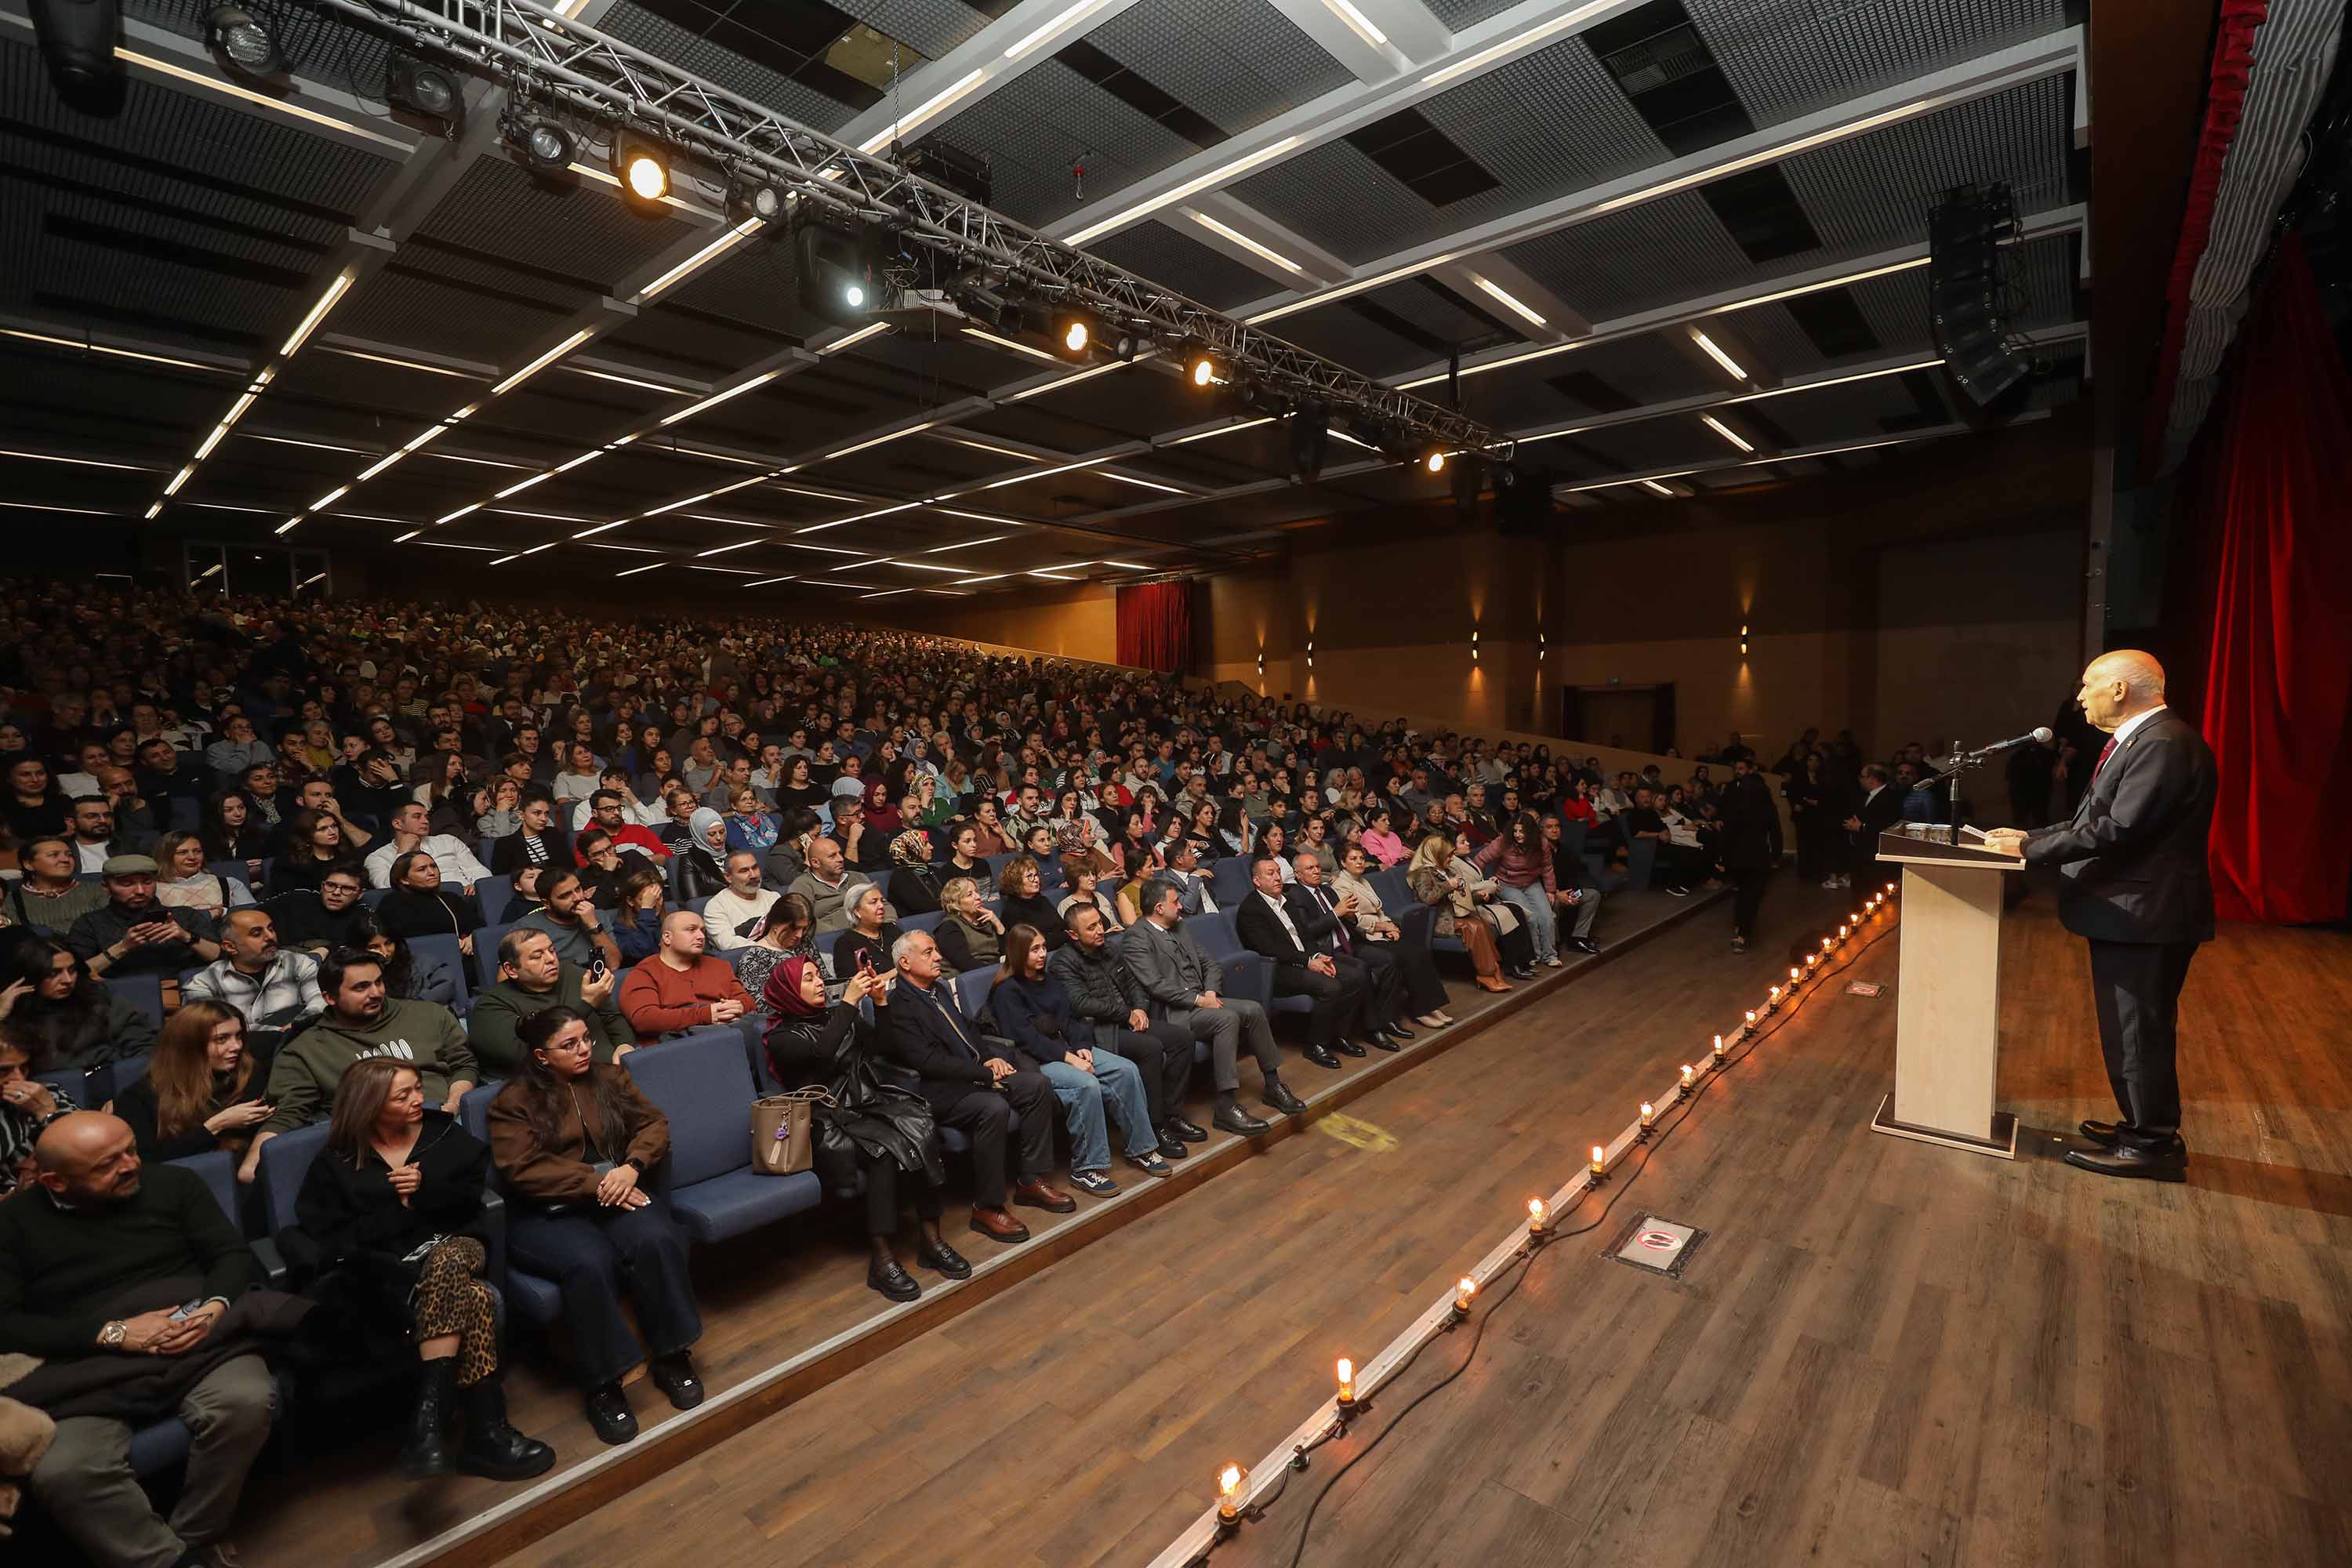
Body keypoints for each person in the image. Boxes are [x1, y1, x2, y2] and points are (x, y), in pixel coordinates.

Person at [6, 1112, 289, 1568]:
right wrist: (115, 1334)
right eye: (108, 1164)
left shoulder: (174, 1185)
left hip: (192, 1330)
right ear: (55, 1182)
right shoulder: (13, 1225)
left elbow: (229, 1256)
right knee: (64, 1471)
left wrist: (211, 1308)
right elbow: (7, 1323)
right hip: (88, 1357)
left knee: (246, 1401)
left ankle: (193, 1538)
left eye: (131, 1150)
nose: (130, 1165)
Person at [1984, 650, 2217, 1182]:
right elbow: (2092, 818)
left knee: (2137, 1033)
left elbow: (2120, 830)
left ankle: (2150, 1146)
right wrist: (2029, 835)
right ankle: (2141, 1128)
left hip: (2143, 916)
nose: (2079, 697)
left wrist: (2029, 851)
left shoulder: (2162, 743)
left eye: (2087, 685)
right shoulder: (2143, 740)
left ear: (2119, 689)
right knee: (2132, 1031)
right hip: (2136, 913)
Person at [290, 1058, 554, 1481]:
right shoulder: (338, 1161)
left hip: (458, 1244)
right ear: (371, 1105)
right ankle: (486, 1435)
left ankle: (428, 1422)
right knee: (475, 1298)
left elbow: (472, 1200)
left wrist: (424, 1190)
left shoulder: (442, 1134)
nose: (419, 1099)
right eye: (404, 1095)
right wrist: (397, 1207)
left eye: (417, 1088)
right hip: (390, 1271)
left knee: (448, 1259)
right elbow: (329, 1234)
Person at [488, 1007, 704, 1445]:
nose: (585, 1049)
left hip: (615, 1192)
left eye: (586, 1038)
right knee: (588, 1262)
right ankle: (603, 1385)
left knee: (656, 1237)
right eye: (569, 1045)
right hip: (547, 1211)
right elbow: (523, 1169)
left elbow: (654, 1124)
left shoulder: (609, 1078)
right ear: (542, 1056)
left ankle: (671, 1355)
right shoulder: (513, 1102)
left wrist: (631, 1167)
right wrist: (598, 1183)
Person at [761, 956, 970, 1301]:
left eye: (818, 976)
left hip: (866, 1102)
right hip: (825, 1117)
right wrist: (848, 1003)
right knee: (881, 1152)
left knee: (922, 1129)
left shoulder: (836, 1016)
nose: (819, 982)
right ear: (788, 991)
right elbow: (822, 1054)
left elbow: (884, 1047)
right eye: (808, 979)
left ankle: (932, 1239)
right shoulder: (782, 1036)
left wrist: (881, 1003)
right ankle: (882, 1259)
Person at [880, 929, 1070, 1243]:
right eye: (928, 952)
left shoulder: (938, 989)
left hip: (973, 1073)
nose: (938, 957)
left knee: (1037, 1085)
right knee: (992, 1107)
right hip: (938, 1090)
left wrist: (988, 1058)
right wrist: (982, 1073)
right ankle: (987, 1207)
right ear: (905, 963)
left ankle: (1030, 1180)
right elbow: (926, 1061)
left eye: (936, 950)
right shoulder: (900, 1004)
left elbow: (969, 1030)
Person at [252, 946, 479, 1171]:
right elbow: (288, 1114)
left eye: (378, 982)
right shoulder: (306, 1050)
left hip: (446, 1122)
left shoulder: (428, 1014)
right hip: (375, 1151)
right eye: (361, 987)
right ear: (329, 997)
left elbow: (464, 1064)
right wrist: (254, 1163)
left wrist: (453, 1104)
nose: (376, 993)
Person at [990, 924, 1171, 1195]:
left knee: (1126, 1070)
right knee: (1086, 1084)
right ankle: (1086, 1169)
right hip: (1037, 1060)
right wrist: (1070, 1059)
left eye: (1043, 947)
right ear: (1018, 953)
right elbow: (1027, 1040)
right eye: (1034, 950)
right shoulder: (1007, 991)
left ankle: (1142, 1148)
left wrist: (1082, 1046)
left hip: (1069, 1049)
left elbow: (1072, 1020)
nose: (1042, 954)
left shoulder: (1049, 980)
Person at [1123, 877, 1301, 1134]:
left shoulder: (1179, 926)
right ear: (1159, 908)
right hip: (1174, 1012)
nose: (1181, 906)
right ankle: (1226, 1106)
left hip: (1203, 998)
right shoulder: (1136, 938)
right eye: (1175, 902)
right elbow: (1156, 985)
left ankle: (1274, 1085)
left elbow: (1210, 963)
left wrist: (1210, 991)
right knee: (1226, 1019)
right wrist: (1199, 1000)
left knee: (1253, 1009)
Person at [1051, 903, 1201, 1156]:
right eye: (1091, 927)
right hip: (1098, 1031)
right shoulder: (1063, 962)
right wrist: (1127, 1014)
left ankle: (1172, 1115)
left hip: (1130, 1019)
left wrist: (1139, 1008)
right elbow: (1080, 1004)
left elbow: (1133, 983)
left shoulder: (1109, 948)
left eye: (1100, 923)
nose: (1100, 930)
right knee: (1151, 1048)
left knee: (1183, 1038)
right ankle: (1155, 1126)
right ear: (1074, 935)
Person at [1234, 855, 1363, 1067]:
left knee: (1355, 976)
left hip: (1304, 959)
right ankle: (1316, 1045)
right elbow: (1269, 949)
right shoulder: (1251, 910)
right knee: (1330, 986)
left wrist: (1317, 956)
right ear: (1257, 881)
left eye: (1278, 872)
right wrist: (1308, 961)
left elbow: (1306, 936)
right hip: (1278, 969)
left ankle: (1339, 1035)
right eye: (1270, 874)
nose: (1277, 877)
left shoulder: (1287, 900)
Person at [111, 1000, 274, 1163]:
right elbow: (146, 1159)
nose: (236, 1046)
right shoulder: (140, 1097)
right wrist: (217, 1125)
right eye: (222, 1039)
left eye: (238, 1036)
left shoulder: (248, 1070)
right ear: (189, 1046)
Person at [1287, 848, 1410, 1049]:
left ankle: (1387, 1019)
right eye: (1310, 868)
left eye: (1317, 867)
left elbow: (1348, 921)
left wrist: (1351, 916)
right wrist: (1335, 914)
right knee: (1361, 969)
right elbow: (1306, 932)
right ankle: (1373, 1030)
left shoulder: (1328, 891)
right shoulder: (1295, 897)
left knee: (1390, 960)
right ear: (1298, 874)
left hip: (1349, 943)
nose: (1317, 871)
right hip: (1328, 951)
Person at [469, 928, 631, 1075]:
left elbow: (612, 1017)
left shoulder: (573, 974)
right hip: (558, 1085)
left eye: (552, 950)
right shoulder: (490, 1007)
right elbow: (526, 1056)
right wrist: (587, 1004)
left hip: (613, 1070)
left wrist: (624, 1045)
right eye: (537, 956)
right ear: (511, 970)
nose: (551, 959)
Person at [2, 938, 157, 1072]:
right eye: (53, 973)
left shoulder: (99, 999)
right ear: (29, 976)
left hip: (108, 1079)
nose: (68, 980)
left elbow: (145, 1047)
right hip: (43, 1089)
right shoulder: (12, 1013)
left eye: (72, 970)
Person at [1406, 833, 1532, 990]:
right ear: (1437, 855)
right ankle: (1486, 975)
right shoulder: (1424, 873)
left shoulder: (1446, 871)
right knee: (1475, 927)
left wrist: (1477, 896)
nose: (1451, 859)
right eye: (1448, 856)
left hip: (1456, 914)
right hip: (1440, 919)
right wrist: (1448, 885)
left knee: (1482, 925)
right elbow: (1427, 898)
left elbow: (1460, 897)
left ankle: (1494, 971)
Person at [67, 854, 223, 978]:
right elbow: (76, 972)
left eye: (147, 882)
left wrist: (186, 936)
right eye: (127, 884)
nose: (140, 891)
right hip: (118, 995)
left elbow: (217, 956)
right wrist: (123, 947)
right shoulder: (90, 923)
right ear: (105, 887)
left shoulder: (185, 915)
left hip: (181, 991)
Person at [615, 910, 754, 1044]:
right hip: (680, 1045)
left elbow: (747, 1001)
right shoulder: (644, 973)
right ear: (667, 938)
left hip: (731, 1033)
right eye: (691, 930)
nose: (701, 936)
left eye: (703, 931)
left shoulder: (719, 965)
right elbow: (644, 1019)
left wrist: (738, 1007)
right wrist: (706, 1015)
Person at [183, 907, 324, 1036]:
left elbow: (321, 999)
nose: (270, 937)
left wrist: (298, 1023)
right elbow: (211, 1029)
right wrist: (278, 1032)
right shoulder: (203, 984)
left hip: (299, 1042)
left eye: (271, 929)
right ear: (230, 947)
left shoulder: (298, 962)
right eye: (257, 934)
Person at [1471, 814, 1563, 969]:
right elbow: (1479, 860)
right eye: (1515, 831)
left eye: (1522, 831)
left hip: (1532, 882)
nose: (1517, 835)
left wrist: (1550, 890)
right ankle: (1534, 955)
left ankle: (1550, 955)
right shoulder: (1504, 841)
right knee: (1530, 916)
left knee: (1547, 916)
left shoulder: (1542, 843)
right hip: (1507, 884)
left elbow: (1547, 867)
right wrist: (1480, 886)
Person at [0, 1031, 79, 1196]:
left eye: (23, 1068)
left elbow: (84, 1150)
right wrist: (16, 1194)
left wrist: (46, 1111)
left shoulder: (48, 1093)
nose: (20, 1078)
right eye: (4, 1071)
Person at [376, 848, 484, 958]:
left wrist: (473, 938)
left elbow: (478, 926)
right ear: (404, 879)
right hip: (421, 961)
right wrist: (448, 943)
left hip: (463, 956)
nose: (432, 872)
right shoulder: (392, 903)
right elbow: (404, 939)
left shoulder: (450, 898)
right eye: (422, 869)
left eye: (433, 866)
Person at [1718, 757, 1778, 953]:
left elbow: (1727, 829)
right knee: (1752, 895)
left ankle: (1740, 928)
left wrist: (1723, 855)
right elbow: (1774, 828)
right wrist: (1776, 855)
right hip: (1757, 855)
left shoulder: (1734, 800)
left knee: (1743, 893)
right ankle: (1743, 932)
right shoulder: (1764, 797)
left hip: (1738, 855)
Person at [514, 867, 622, 975]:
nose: (577, 898)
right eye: (565, 896)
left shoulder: (597, 915)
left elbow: (614, 965)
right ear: (547, 904)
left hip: (603, 977)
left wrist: (593, 925)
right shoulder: (526, 928)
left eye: (578, 889)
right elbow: (513, 976)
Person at [1533, 817, 1607, 957]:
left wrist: (1573, 893)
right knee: (1553, 903)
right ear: (1541, 830)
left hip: (1567, 893)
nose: (1554, 830)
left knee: (1592, 895)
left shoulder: (1565, 850)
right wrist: (1557, 894)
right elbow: (1534, 881)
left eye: (1557, 826)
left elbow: (1574, 875)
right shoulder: (1536, 852)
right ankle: (1553, 944)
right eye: (1549, 827)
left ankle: (1578, 938)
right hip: (1547, 895)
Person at [6, 833, 110, 932]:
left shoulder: (99, 890)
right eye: (54, 855)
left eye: (69, 855)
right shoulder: (11, 901)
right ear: (28, 864)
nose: (66, 859)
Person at [268, 864, 375, 952]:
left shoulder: (364, 917)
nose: (336, 892)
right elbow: (258, 913)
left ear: (360, 894)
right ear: (322, 886)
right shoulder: (296, 899)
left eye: (347, 888)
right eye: (331, 885)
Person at [732, 894, 818, 1004]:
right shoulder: (754, 958)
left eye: (804, 929)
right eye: (794, 928)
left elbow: (826, 980)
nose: (800, 935)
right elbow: (761, 1004)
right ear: (776, 923)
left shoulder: (805, 944)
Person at [154, 830, 253, 922]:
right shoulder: (153, 889)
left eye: (197, 851)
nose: (192, 857)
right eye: (182, 852)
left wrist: (224, 912)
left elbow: (254, 916)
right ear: (166, 856)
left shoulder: (229, 883)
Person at [789, 833, 870, 933]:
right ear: (815, 863)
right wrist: (835, 933)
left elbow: (882, 905)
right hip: (831, 937)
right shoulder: (802, 885)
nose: (841, 859)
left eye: (840, 854)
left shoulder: (858, 877)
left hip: (870, 931)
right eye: (832, 856)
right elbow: (803, 920)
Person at [831, 881, 902, 994]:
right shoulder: (845, 943)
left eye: (882, 901)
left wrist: (887, 975)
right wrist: (901, 969)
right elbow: (855, 985)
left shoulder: (892, 929)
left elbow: (915, 959)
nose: (881, 906)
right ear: (857, 911)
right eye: (874, 902)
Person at [701, 850, 779, 951]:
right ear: (728, 877)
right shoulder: (716, 906)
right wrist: (770, 947)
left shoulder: (773, 898)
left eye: (755, 868)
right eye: (744, 871)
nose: (753, 875)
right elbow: (726, 943)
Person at [933, 874, 1006, 975]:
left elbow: (1007, 951)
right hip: (967, 977)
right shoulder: (948, 928)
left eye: (976, 892)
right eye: (969, 894)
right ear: (955, 903)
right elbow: (966, 964)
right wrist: (999, 970)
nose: (978, 897)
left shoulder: (986, 918)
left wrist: (998, 924)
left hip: (992, 969)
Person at [996, 855, 1065, 952]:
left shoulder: (1042, 900)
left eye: (1036, 875)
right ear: (1016, 881)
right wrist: (1061, 937)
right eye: (1030, 876)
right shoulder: (1012, 911)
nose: (1036, 880)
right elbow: (1033, 945)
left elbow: (1063, 927)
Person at [489, 794, 569, 878]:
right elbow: (501, 879)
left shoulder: (554, 834)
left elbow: (569, 866)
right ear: (521, 815)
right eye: (537, 813)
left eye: (546, 813)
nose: (544, 819)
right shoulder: (505, 844)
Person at [884, 828, 946, 917]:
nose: (931, 847)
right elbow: (922, 907)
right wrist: (952, 905)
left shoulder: (935, 870)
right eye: (925, 844)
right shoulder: (900, 877)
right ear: (912, 849)